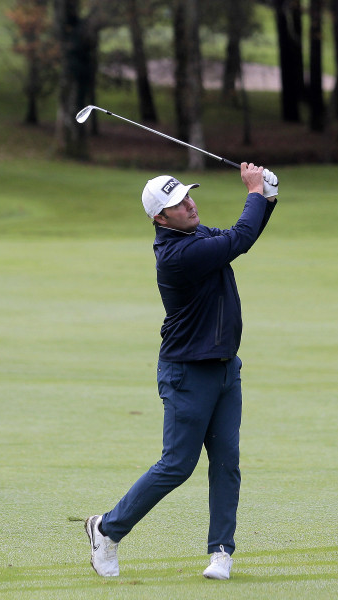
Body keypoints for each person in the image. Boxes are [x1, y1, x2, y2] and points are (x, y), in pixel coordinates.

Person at [85, 163, 278, 580]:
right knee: (177, 464)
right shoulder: (177, 255)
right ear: (159, 218)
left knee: (227, 463)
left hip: (226, 369)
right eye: (177, 204)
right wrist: (255, 193)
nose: (189, 205)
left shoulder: (196, 234)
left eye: (188, 196)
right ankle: (106, 528)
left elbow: (239, 237)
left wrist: (269, 199)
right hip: (187, 373)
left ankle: (221, 553)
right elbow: (239, 239)